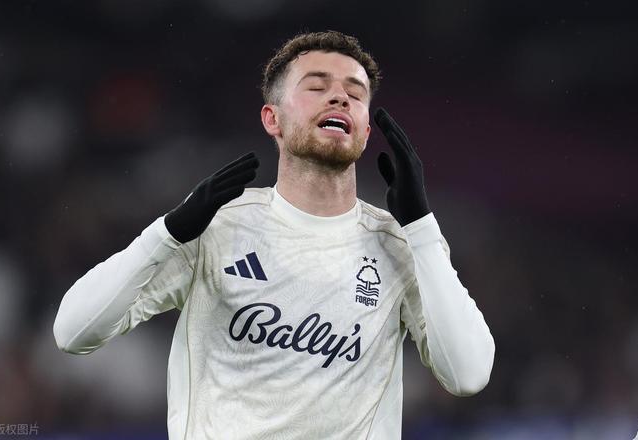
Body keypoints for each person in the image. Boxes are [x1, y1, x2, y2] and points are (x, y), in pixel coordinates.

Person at [53, 30, 495, 439]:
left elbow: (468, 375)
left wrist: (421, 227)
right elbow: (73, 332)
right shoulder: (215, 226)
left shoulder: (401, 244)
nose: (339, 96)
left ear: (364, 130)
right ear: (272, 118)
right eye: (317, 87)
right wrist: (168, 233)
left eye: (355, 93)